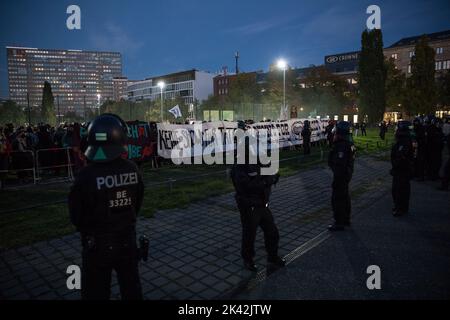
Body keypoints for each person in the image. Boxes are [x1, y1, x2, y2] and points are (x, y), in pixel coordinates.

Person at [68, 114, 144, 300]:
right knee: (131, 288)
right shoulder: (132, 168)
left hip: (97, 246)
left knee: (96, 293)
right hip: (127, 240)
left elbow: (76, 215)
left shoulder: (86, 175)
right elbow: (138, 202)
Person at [231, 121, 285, 272]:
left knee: (272, 232)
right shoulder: (239, 165)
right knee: (249, 235)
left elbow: (272, 171)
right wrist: (266, 181)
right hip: (249, 206)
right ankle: (248, 260)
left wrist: (272, 176)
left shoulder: (259, 160)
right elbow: (245, 186)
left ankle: (272, 257)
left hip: (262, 204)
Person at [328, 121, 355, 231]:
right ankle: (346, 219)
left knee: (338, 199)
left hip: (341, 176)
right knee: (345, 197)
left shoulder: (341, 146)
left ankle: (339, 222)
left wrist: (337, 179)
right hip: (346, 175)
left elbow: (339, 164)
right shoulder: (349, 143)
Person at [390, 121, 414, 216]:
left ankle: (400, 208)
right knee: (401, 189)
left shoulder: (404, 142)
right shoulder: (405, 140)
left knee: (399, 190)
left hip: (401, 170)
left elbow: (400, 157)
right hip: (403, 169)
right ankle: (401, 207)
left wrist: (395, 166)